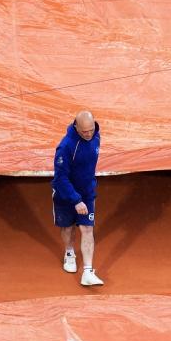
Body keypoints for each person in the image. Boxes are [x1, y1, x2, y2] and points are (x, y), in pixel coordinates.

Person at [52, 110, 104, 286]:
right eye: (84, 131)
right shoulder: (65, 147)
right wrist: (75, 199)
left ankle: (88, 272)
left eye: (91, 130)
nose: (89, 134)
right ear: (76, 127)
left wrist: (87, 193)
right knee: (68, 229)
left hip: (87, 194)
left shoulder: (96, 136)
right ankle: (69, 252)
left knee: (87, 229)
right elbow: (60, 178)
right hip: (65, 194)